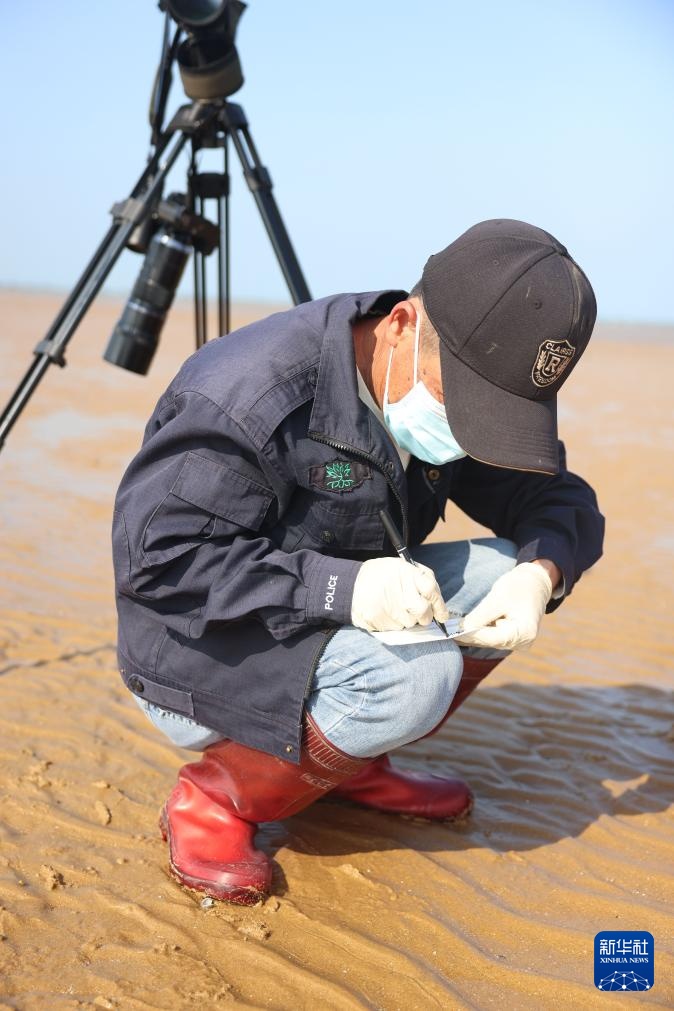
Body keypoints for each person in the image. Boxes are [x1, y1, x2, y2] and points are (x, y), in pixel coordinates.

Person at [111, 218, 604, 905]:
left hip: (323, 619)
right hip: (200, 647)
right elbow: (156, 564)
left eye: (494, 415)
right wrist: (343, 586)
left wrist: (540, 574)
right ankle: (218, 797)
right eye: (464, 402)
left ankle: (347, 762)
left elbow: (561, 501)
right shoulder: (247, 394)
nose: (469, 431)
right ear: (401, 324)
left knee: (500, 570)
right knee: (416, 675)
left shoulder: (444, 395)